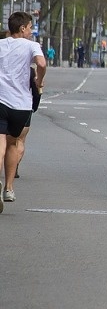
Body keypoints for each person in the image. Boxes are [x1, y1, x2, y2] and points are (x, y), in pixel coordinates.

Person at [0, 12, 46, 209]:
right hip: (21, 105)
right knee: (13, 143)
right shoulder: (32, 46)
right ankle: (9, 188)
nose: (30, 31)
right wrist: (39, 80)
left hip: (1, 100)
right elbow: (41, 63)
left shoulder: (1, 44)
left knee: (0, 140)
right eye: (29, 28)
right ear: (22, 28)